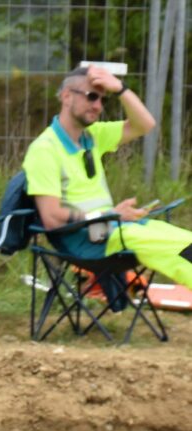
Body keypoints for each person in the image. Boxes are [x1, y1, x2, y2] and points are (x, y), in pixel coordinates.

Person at [23, 65, 192, 288]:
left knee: (186, 242)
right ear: (66, 96)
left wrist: (120, 88)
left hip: (111, 229)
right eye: (92, 96)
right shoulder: (44, 150)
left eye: (103, 99)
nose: (98, 106)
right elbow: (52, 218)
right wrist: (107, 215)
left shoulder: (92, 136)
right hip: (87, 243)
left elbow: (145, 125)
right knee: (181, 251)